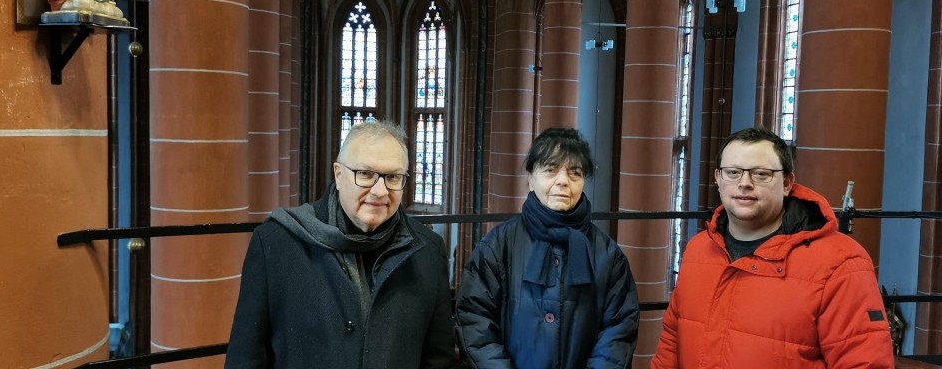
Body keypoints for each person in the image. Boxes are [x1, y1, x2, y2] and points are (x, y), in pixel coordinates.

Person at [652, 126, 894, 368]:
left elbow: (864, 362)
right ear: (718, 178)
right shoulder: (698, 249)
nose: (744, 183)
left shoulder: (841, 263)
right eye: (733, 172)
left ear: (787, 183)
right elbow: (672, 341)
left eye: (760, 174)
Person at [225, 120, 457, 368]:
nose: (380, 191)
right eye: (365, 174)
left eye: (392, 177)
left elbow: (439, 359)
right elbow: (246, 359)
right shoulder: (277, 244)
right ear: (338, 174)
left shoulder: (428, 251)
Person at [456, 127, 640, 368]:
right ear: (531, 179)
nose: (563, 181)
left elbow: (619, 329)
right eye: (551, 170)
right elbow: (475, 320)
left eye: (574, 173)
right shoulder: (497, 246)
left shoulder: (608, 255)